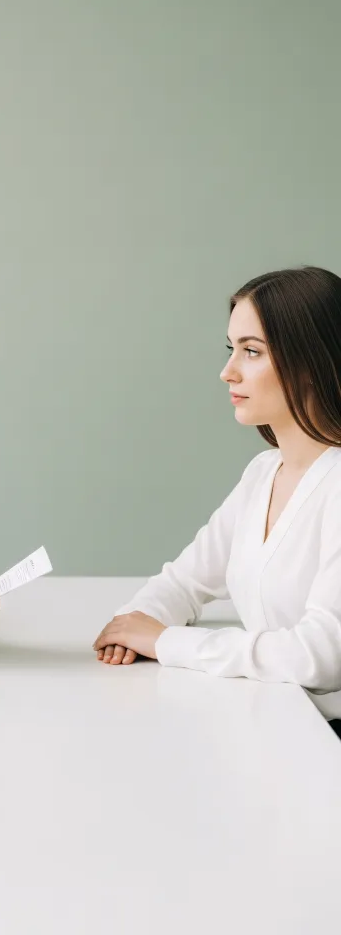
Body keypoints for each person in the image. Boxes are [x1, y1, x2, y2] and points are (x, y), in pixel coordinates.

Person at [93, 266, 341, 732]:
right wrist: (136, 625)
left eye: (251, 352)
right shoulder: (264, 473)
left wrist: (165, 642)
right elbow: (183, 582)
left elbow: (322, 655)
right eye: (233, 350)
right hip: (278, 724)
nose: (227, 371)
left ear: (312, 361)